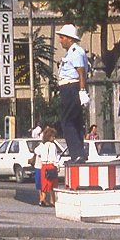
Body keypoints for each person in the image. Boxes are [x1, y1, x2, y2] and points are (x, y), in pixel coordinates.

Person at [55, 24, 90, 163]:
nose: (60, 40)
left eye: (62, 37)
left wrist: (82, 91)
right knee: (75, 122)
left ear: (69, 39)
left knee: (67, 122)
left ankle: (76, 154)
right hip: (71, 88)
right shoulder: (72, 52)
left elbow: (80, 72)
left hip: (71, 88)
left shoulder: (75, 51)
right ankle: (78, 153)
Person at [30, 126, 61, 207]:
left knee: (45, 184)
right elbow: (54, 157)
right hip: (51, 165)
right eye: (53, 136)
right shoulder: (53, 146)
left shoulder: (42, 145)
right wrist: (57, 166)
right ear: (50, 137)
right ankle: (51, 201)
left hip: (44, 166)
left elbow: (36, 151)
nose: (54, 138)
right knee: (52, 184)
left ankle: (42, 199)